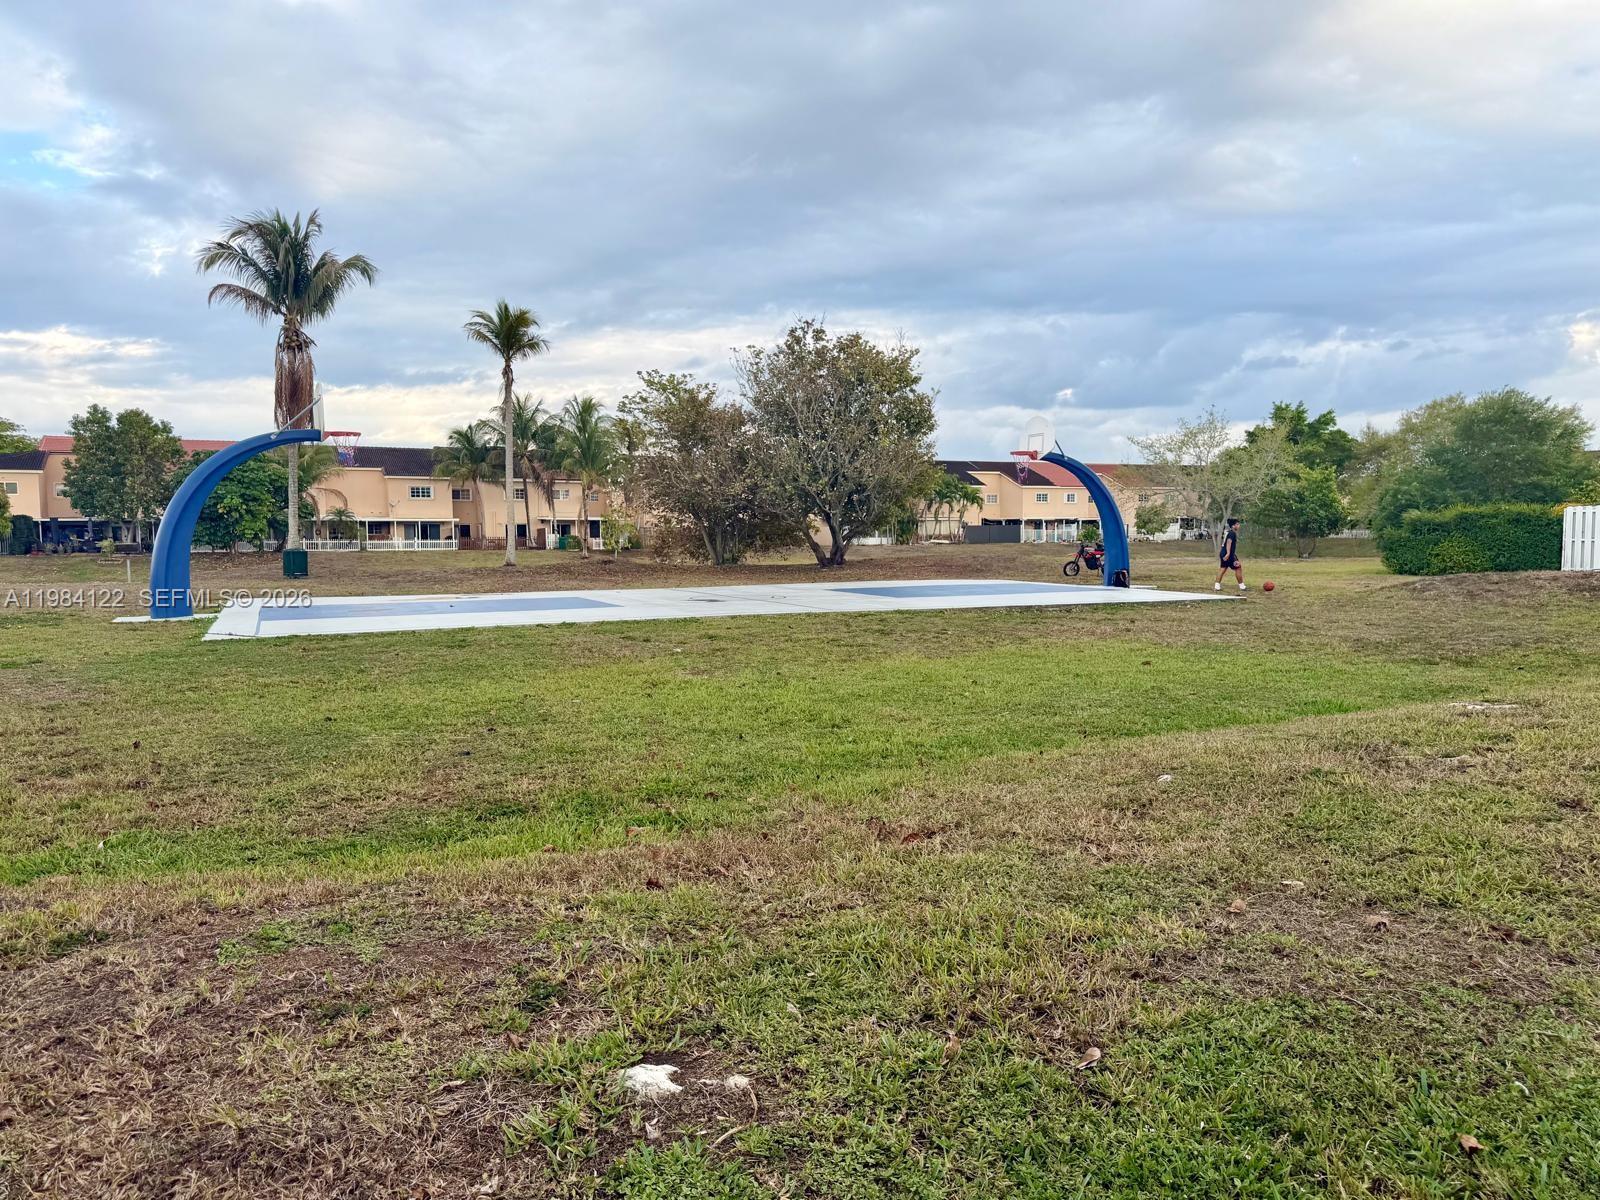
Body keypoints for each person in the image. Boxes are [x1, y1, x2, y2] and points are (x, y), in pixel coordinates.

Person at [1214, 517, 1246, 592]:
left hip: (1223, 553)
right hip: (1229, 554)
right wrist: (1228, 553)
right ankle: (1242, 586)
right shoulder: (1232, 533)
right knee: (1238, 568)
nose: (1239, 526)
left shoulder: (1229, 532)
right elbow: (1229, 542)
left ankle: (1217, 586)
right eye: (1237, 524)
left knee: (1223, 568)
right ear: (1233, 526)